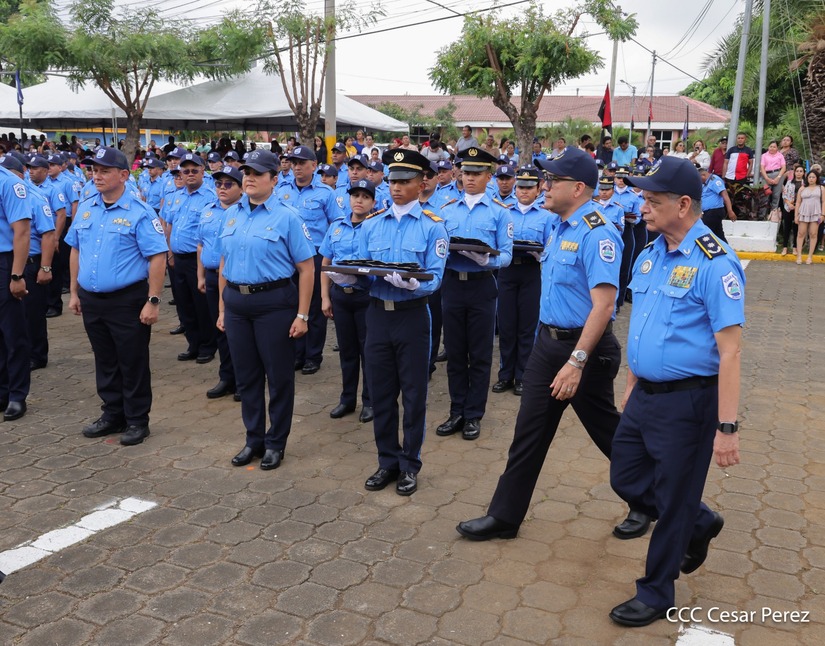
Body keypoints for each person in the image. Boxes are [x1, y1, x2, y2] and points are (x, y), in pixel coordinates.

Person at [457, 146, 647, 543]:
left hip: (584, 351)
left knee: (609, 433)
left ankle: (670, 506)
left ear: (577, 188)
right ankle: (504, 517)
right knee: (528, 434)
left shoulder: (597, 232)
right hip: (548, 344)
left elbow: (604, 305)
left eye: (553, 180)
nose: (545, 186)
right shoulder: (560, 225)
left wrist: (576, 361)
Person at [608, 156, 744, 627]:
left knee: (674, 499)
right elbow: (642, 326)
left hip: (689, 401)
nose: (643, 208)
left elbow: (730, 351)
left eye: (653, 200)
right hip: (645, 394)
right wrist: (632, 381)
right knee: (626, 476)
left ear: (684, 205)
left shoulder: (715, 264)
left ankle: (656, 591)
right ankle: (699, 521)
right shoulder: (650, 254)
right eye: (643, 199)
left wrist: (727, 427)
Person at [217, 149, 315, 470]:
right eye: (246, 173)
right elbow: (224, 263)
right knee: (246, 377)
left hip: (274, 304)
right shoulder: (231, 213)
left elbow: (306, 268)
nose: (249, 178)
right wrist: (222, 309)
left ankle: (276, 442)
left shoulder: (287, 217)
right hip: (236, 304)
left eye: (257, 174)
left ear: (274, 179)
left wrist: (302, 315)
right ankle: (253, 439)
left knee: (278, 377)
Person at [358, 148, 448, 496]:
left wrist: (414, 284)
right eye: (392, 181)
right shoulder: (372, 223)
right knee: (381, 394)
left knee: (413, 394)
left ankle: (410, 464)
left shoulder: (433, 226)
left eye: (405, 181)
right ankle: (387, 461)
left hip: (412, 316)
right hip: (378, 315)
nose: (396, 187)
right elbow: (362, 267)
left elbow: (435, 277)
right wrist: (349, 280)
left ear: (421, 184)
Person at [67, 147, 168, 445]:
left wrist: (153, 300)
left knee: (132, 361)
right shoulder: (87, 208)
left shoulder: (140, 212)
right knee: (105, 360)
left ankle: (137, 420)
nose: (96, 176)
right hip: (92, 298)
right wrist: (74, 291)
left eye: (104, 171)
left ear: (124, 175)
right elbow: (76, 250)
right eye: (94, 170)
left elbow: (157, 257)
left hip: (127, 300)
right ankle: (113, 414)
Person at [436, 146, 513, 442]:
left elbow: (506, 254)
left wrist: (488, 260)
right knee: (455, 352)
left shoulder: (499, 212)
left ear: (488, 176)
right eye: (466, 172)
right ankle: (456, 410)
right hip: (453, 285)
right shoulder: (446, 210)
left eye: (477, 173)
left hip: (482, 285)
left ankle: (473, 414)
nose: (469, 178)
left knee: (479, 354)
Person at [277, 144, 342, 374]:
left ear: (314, 165)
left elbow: (337, 224)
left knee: (314, 308)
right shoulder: (281, 190)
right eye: (294, 163)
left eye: (302, 163)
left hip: (314, 255)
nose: (297, 167)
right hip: (287, 257)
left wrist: (331, 255)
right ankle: (296, 353)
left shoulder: (326, 193)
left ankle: (313, 355)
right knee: (291, 304)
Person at [320, 179, 376, 424]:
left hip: (367, 296)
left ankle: (370, 400)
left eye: (365, 197)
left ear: (373, 202)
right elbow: (326, 262)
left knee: (368, 352)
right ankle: (347, 398)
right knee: (347, 351)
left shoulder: (376, 227)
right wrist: (325, 297)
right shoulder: (336, 226)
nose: (359, 201)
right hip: (341, 296)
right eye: (355, 196)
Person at [492, 165, 551, 395]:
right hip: (507, 272)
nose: (524, 191)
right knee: (506, 324)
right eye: (521, 187)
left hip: (531, 272)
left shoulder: (546, 216)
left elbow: (550, 248)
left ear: (538, 189)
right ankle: (505, 374)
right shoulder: (504, 212)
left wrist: (540, 254)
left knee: (527, 326)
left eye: (529, 187)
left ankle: (522, 376)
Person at [4, 155, 55, 373]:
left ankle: (37, 355)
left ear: (19, 174)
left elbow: (48, 234)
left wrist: (45, 267)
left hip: (31, 263)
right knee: (13, 317)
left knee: (33, 314)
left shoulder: (34, 197)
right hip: (9, 261)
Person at [165, 153, 218, 363]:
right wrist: (169, 252)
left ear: (203, 172)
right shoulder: (176, 196)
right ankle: (193, 343)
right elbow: (169, 224)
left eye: (194, 170)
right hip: (177, 258)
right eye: (185, 171)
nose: (190, 174)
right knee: (184, 303)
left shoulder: (210, 197)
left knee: (201, 305)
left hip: (196, 260)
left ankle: (208, 345)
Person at [197, 165, 243, 400]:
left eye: (228, 184)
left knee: (239, 333)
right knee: (220, 328)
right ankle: (227, 377)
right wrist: (201, 275)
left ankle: (244, 380)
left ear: (241, 188)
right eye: (218, 184)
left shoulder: (245, 213)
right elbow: (200, 245)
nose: (222, 188)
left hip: (236, 279)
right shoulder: (208, 211)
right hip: (213, 276)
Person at [0, 156, 32, 421]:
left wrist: (17, 274)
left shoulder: (10, 183)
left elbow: (21, 231)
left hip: (5, 263)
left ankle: (16, 394)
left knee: (13, 333)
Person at [699, 166, 737, 242]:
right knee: (718, 235)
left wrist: (730, 211)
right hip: (708, 212)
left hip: (714, 211)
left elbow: (725, 196)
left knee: (704, 234)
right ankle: (726, 249)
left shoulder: (714, 180)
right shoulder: (705, 184)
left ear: (703, 175)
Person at [795, 169, 825, 265]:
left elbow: (823, 201)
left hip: (816, 213)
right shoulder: (802, 188)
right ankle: (799, 256)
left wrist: (823, 214)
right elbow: (798, 202)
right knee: (801, 233)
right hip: (803, 213)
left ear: (817, 178)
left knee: (813, 233)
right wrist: (796, 216)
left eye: (813, 177)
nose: (811, 179)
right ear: (807, 178)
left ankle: (810, 256)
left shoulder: (821, 188)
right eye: (809, 177)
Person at [780, 164, 804, 256]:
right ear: (794, 172)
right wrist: (789, 204)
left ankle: (795, 247)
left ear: (803, 173)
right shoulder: (789, 182)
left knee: (796, 228)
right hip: (788, 207)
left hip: (800, 209)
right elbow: (784, 194)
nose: (799, 173)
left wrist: (797, 205)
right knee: (787, 227)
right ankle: (785, 247)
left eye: (801, 171)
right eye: (797, 171)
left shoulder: (805, 184)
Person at [760, 140, 787, 218]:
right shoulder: (764, 155)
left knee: (776, 195)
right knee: (764, 195)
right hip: (766, 175)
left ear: (777, 148)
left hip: (777, 174)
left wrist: (778, 178)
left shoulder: (780, 155)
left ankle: (773, 215)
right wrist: (766, 178)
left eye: (774, 147)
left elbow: (784, 167)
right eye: (771, 146)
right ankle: (762, 215)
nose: (772, 148)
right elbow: (762, 167)